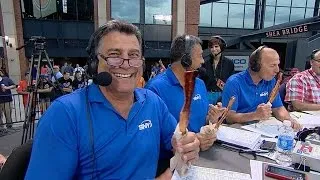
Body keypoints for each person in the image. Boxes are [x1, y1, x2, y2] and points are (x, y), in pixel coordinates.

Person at [25, 20, 200, 179]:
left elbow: (176, 141)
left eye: (133, 55)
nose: (125, 63)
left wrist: (188, 144)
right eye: (114, 55)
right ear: (94, 63)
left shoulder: (153, 102)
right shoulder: (63, 114)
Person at [146, 34, 225, 176]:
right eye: (199, 56)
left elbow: (203, 118)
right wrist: (193, 142)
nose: (202, 61)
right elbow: (153, 137)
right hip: (171, 164)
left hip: (203, 157)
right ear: (185, 59)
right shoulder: (154, 89)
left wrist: (212, 118)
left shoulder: (199, 83)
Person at [222, 46, 301, 129]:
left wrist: (290, 120)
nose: (277, 70)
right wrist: (255, 115)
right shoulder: (234, 82)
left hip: (261, 126)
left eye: (277, 65)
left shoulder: (271, 81)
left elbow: (277, 108)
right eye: (272, 65)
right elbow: (228, 117)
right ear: (256, 66)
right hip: (238, 128)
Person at [200, 36, 234, 105]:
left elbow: (232, 81)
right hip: (208, 94)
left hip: (223, 94)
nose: (214, 49)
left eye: (216, 46)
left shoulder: (229, 63)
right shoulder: (205, 63)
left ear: (221, 47)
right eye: (212, 47)